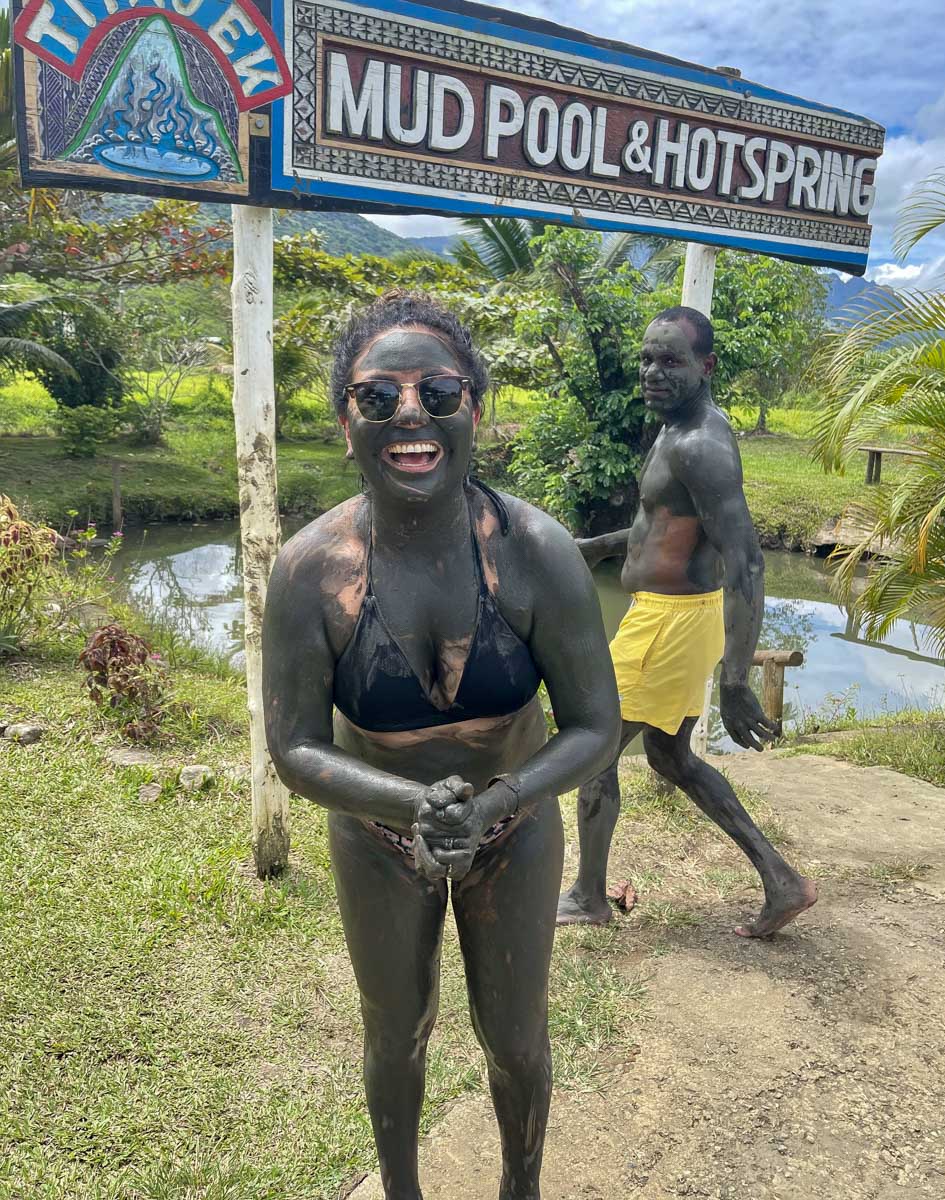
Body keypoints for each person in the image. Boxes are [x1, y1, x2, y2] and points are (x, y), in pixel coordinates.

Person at [262, 293, 619, 1200]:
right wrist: (409, 807)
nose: (411, 413)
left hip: (515, 829)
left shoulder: (537, 554)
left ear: (476, 411)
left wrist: (497, 803)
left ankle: (521, 1189)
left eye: (440, 391)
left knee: (517, 1037)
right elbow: (296, 747)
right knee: (396, 1030)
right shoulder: (310, 572)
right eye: (378, 398)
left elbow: (593, 725)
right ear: (346, 423)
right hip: (377, 838)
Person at [557, 305, 817, 938]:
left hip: (670, 626)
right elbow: (661, 528)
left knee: (593, 751)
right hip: (666, 617)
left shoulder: (701, 443)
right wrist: (593, 548)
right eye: (647, 359)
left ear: (706, 366)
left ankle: (590, 895)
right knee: (672, 759)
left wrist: (735, 678)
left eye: (671, 362)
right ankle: (781, 881)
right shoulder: (676, 430)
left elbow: (748, 563)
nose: (653, 372)